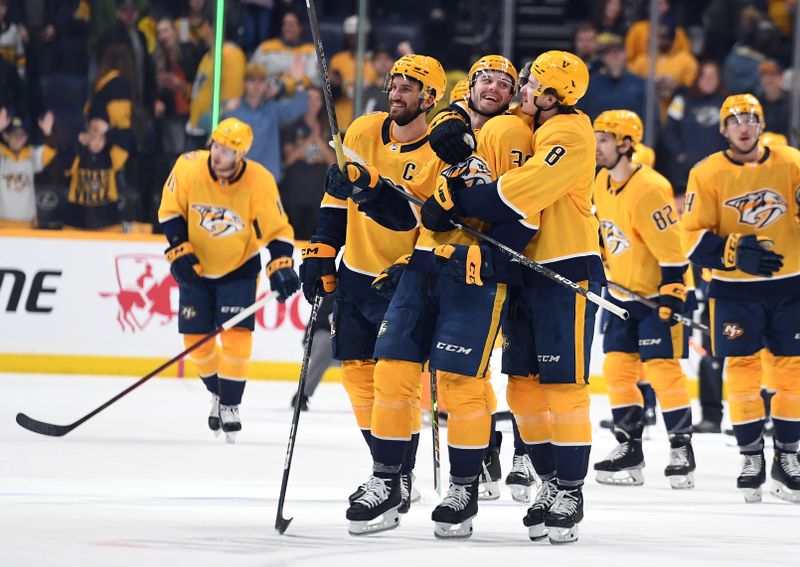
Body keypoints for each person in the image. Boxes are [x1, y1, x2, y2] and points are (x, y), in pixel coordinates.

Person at [331, 54, 535, 538]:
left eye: (504, 82)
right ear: (468, 87)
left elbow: (526, 211)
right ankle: (388, 481)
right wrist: (368, 191)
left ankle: (463, 486)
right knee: (392, 372)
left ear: (513, 95)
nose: (493, 86)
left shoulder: (514, 138)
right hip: (422, 265)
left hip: (476, 274)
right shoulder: (447, 126)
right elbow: (411, 210)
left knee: (461, 384)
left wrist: (468, 208)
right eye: (484, 78)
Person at [420, 50, 603, 544]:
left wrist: (456, 199)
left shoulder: (570, 134)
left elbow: (517, 191)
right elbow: (472, 112)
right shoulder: (534, 119)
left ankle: (571, 488)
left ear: (551, 97)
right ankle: (548, 481)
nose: (520, 88)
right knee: (522, 387)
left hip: (568, 267)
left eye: (529, 83)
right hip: (525, 270)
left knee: (562, 386)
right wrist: (448, 123)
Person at [299, 54, 445, 527]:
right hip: (357, 273)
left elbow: (424, 222)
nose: (398, 93)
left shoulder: (439, 150)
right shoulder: (363, 130)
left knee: (395, 384)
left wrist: (413, 264)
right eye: (395, 84)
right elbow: (336, 193)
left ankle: (389, 477)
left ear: (430, 98)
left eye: (409, 88)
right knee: (358, 380)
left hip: (406, 277)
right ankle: (396, 473)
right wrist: (322, 246)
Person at [681, 93, 800, 504]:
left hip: (791, 284)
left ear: (761, 124)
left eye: (750, 119)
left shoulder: (791, 161)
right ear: (723, 129)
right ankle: (751, 456)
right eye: (735, 121)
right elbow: (689, 235)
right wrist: (731, 251)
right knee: (743, 370)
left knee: (791, 374)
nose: (743, 127)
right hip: (733, 290)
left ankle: (788, 457)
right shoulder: (707, 171)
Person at [157, 117, 299, 443]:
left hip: (239, 266)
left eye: (226, 150)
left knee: (236, 335)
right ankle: (218, 393)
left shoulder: (259, 180)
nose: (217, 154)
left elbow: (277, 229)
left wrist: (280, 265)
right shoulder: (188, 167)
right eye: (216, 146)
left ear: (241, 156)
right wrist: (178, 249)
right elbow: (170, 211)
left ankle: (231, 403)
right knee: (195, 340)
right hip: (196, 266)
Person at [591, 109, 696, 489]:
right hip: (621, 295)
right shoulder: (601, 181)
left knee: (662, 372)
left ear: (626, 143)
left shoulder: (650, 187)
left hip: (655, 296)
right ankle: (628, 447)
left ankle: (681, 447)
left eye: (604, 139)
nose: (597, 146)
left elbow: (673, 251)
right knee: (618, 371)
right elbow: (605, 231)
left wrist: (674, 292)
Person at [218, 63, 308, 182]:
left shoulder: (273, 110)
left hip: (267, 179)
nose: (256, 84)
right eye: (252, 80)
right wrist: (223, 109)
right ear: (244, 83)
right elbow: (203, 123)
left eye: (261, 80)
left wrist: (299, 82)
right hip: (238, 178)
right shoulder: (233, 109)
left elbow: (299, 106)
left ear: (266, 84)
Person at [661, 60, 727, 193]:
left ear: (719, 79)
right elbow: (669, 131)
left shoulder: (727, 102)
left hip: (719, 168)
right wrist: (679, 155)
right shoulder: (682, 100)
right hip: (686, 169)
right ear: (698, 78)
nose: (708, 80)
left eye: (712, 76)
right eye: (704, 76)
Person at [279, 87, 336, 240]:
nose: (312, 102)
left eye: (316, 99)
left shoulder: (328, 128)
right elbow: (288, 159)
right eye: (308, 98)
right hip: (294, 194)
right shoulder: (292, 126)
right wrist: (308, 141)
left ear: (321, 103)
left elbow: (334, 162)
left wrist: (319, 141)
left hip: (318, 194)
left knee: (312, 238)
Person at [62, 118, 128, 231]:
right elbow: (63, 161)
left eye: (101, 138)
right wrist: (78, 139)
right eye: (93, 137)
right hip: (77, 221)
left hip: (108, 221)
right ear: (87, 138)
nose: (97, 142)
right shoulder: (78, 155)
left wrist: (108, 129)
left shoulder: (112, 157)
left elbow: (126, 140)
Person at [0, 109, 55, 227]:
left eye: (21, 134)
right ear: (6, 136)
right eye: (13, 134)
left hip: (27, 223)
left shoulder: (31, 154)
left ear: (26, 137)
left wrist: (48, 133)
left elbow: (50, 152)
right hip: (2, 223)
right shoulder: (1, 154)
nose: (17, 138)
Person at [579, 34, 646, 122]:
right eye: (609, 52)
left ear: (626, 55)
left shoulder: (642, 85)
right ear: (603, 57)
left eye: (618, 51)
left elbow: (652, 122)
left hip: (632, 134)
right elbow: (581, 117)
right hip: (596, 134)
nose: (614, 56)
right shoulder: (590, 85)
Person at [249, 10, 318, 92]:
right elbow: (252, 73)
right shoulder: (265, 48)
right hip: (267, 93)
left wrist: (285, 85)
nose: (287, 28)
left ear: (300, 28)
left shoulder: (311, 51)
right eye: (285, 24)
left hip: (298, 95)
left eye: (291, 25)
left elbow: (312, 77)